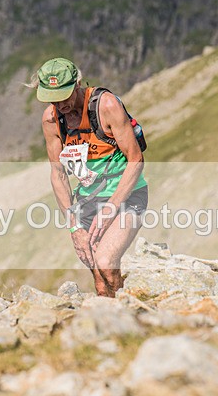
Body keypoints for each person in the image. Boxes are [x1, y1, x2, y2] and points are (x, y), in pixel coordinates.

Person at [31, 57, 148, 297]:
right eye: (51, 98)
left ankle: (126, 317)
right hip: (86, 202)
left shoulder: (106, 106)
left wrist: (111, 208)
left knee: (105, 261)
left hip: (126, 195)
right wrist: (73, 225)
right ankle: (108, 323)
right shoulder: (51, 119)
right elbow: (58, 173)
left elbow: (136, 160)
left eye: (64, 95)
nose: (59, 104)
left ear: (78, 84)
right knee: (98, 276)